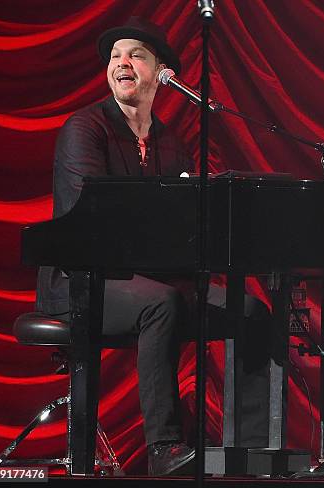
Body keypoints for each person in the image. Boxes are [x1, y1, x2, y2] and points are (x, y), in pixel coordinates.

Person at [35, 17, 270, 476]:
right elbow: (93, 221)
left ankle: (251, 452)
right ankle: (164, 448)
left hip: (154, 276)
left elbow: (182, 228)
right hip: (83, 280)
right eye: (115, 56)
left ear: (162, 72)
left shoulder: (171, 142)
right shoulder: (85, 129)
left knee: (250, 310)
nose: (122, 63)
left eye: (135, 55)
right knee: (161, 303)